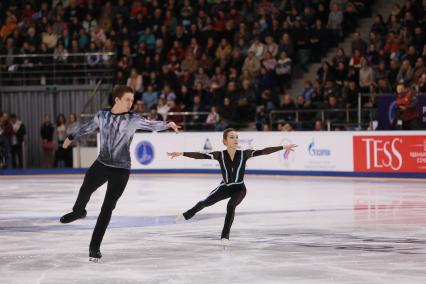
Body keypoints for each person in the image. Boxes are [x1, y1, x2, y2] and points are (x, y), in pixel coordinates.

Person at [60, 85, 180, 261]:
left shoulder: (132, 119)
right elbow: (88, 127)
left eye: (132, 100)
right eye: (127, 100)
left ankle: (94, 247)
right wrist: (71, 137)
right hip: (102, 163)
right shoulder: (102, 115)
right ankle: (78, 211)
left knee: (107, 207)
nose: (131, 103)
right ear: (117, 99)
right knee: (86, 187)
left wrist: (167, 124)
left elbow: (150, 125)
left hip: (121, 170)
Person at [167, 128, 297, 246]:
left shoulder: (244, 154)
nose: (235, 139)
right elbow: (200, 156)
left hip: (239, 189)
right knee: (205, 202)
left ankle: (225, 236)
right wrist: (182, 153)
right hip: (225, 187)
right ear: (225, 141)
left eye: (236, 137)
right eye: (232, 137)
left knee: (231, 206)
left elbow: (263, 151)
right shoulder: (220, 155)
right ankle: (187, 215)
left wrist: (283, 147)